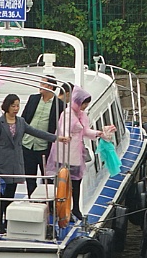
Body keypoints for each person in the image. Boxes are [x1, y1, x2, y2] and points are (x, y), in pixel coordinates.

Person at [0, 93, 60, 231]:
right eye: (13, 106)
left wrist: (56, 138)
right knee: (1, 195)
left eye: (18, 106)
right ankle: (0, 222)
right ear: (7, 106)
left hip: (16, 162)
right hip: (2, 163)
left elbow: (36, 132)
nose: (16, 109)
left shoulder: (21, 122)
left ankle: (7, 221)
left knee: (10, 194)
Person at [46, 87, 115, 221]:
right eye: (84, 104)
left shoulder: (81, 115)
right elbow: (64, 130)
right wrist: (66, 137)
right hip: (64, 152)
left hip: (76, 152)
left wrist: (99, 133)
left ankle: (75, 208)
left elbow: (85, 131)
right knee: (62, 182)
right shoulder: (67, 114)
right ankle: (60, 209)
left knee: (76, 182)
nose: (85, 107)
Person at [21, 77, 65, 196]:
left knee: (48, 178)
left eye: (42, 83)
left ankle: (47, 201)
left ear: (50, 87)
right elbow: (24, 118)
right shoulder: (33, 98)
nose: (40, 86)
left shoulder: (60, 105)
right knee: (30, 177)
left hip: (45, 147)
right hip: (27, 144)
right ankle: (32, 199)